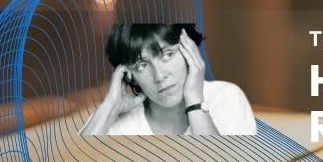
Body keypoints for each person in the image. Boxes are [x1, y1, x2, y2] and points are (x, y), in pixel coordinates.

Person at [81, 23, 257, 136]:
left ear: (190, 51)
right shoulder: (113, 118)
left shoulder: (225, 97)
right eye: (141, 65)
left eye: (168, 54)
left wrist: (194, 102)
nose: (159, 76)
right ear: (129, 76)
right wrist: (110, 107)